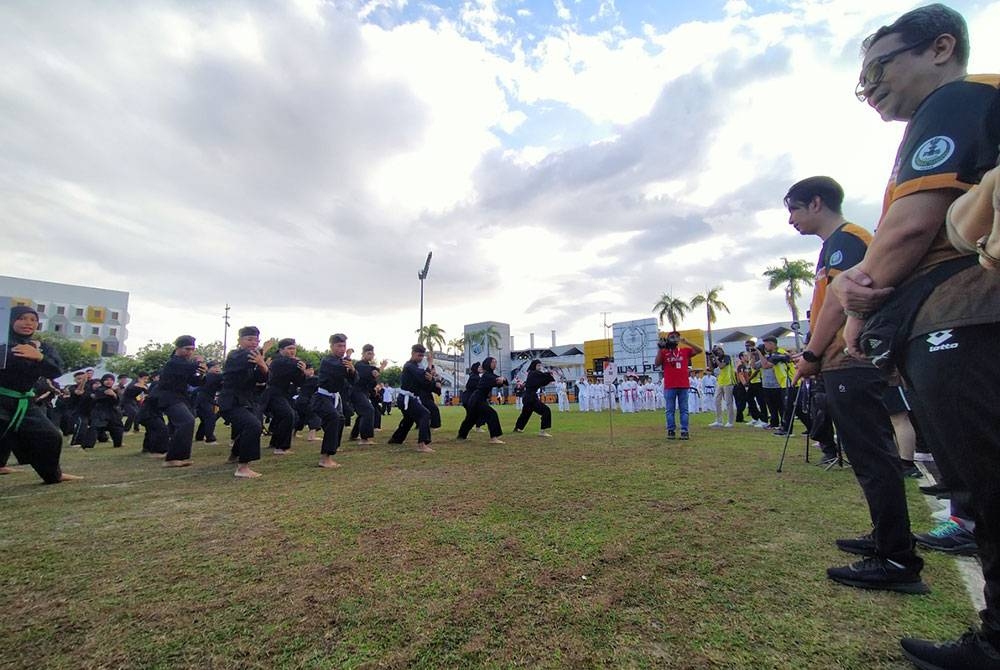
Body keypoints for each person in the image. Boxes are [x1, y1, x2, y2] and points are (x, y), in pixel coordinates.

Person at [829, 5, 1000, 664]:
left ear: (939, 47)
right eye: (861, 79)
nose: (870, 86)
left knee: (988, 484)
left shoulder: (958, 99)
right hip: (959, 317)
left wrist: (856, 301)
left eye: (879, 66)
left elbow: (909, 230)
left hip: (967, 317)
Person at [784, 176, 926, 594]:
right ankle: (886, 538)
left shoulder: (849, 240)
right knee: (868, 455)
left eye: (793, 209)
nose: (790, 220)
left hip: (850, 359)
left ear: (815, 203)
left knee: (872, 456)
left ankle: (897, 556)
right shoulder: (837, 244)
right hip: (839, 360)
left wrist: (811, 353)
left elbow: (839, 303)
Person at [0, 306, 81, 483]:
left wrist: (39, 357)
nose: (28, 323)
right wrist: (19, 350)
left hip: (24, 402)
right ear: (11, 320)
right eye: (22, 318)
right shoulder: (3, 342)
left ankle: (53, 475)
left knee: (50, 436)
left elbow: (56, 370)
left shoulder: (43, 347)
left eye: (33, 319)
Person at [218, 326, 269, 478]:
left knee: (253, 425)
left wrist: (262, 364)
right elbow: (250, 358)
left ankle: (234, 456)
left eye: (256, 340)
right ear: (239, 341)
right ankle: (242, 467)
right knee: (253, 426)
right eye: (249, 339)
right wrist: (262, 353)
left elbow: (263, 378)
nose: (254, 343)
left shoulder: (254, 359)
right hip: (230, 401)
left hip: (246, 401)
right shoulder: (235, 355)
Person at [151, 335, 206, 467]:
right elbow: (189, 368)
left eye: (192, 349)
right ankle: (172, 458)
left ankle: (179, 456)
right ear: (178, 348)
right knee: (187, 421)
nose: (190, 352)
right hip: (168, 397)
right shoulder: (174, 362)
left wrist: (202, 373)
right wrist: (199, 363)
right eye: (187, 349)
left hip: (181, 397)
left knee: (187, 421)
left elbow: (194, 381)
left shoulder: (185, 364)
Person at [314, 333, 355, 468]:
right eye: (339, 346)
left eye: (344, 346)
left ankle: (333, 447)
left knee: (340, 419)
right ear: (331, 346)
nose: (342, 349)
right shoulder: (328, 360)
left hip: (333, 398)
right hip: (322, 397)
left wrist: (352, 369)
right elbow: (339, 370)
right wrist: (348, 361)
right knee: (334, 418)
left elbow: (354, 379)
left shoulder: (343, 362)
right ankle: (325, 458)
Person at [387, 344, 435, 452]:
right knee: (425, 414)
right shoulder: (409, 366)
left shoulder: (416, 367)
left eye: (422, 356)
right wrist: (430, 364)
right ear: (413, 353)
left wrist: (430, 378)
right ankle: (422, 444)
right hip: (405, 398)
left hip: (409, 398)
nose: (421, 358)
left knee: (409, 419)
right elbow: (423, 376)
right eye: (419, 355)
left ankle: (396, 439)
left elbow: (425, 382)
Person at [654, 331, 702, 440]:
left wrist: (686, 341)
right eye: (672, 337)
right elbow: (656, 364)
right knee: (669, 410)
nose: (674, 338)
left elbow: (699, 350)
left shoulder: (684, 351)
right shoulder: (665, 352)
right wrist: (660, 349)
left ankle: (684, 430)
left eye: (676, 337)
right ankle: (671, 430)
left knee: (684, 409)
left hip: (683, 385)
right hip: (670, 385)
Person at [264, 338, 305, 455]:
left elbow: (299, 382)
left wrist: (301, 372)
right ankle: (281, 447)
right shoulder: (279, 361)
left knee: (282, 417)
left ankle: (274, 443)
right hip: (272, 393)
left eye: (294, 348)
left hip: (283, 393)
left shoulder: (290, 362)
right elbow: (294, 363)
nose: (292, 351)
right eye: (289, 348)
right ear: (281, 350)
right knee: (288, 415)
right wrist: (300, 365)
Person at [456, 356, 506, 443]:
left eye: (495, 362)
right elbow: (496, 380)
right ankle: (493, 438)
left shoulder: (490, 374)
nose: (495, 364)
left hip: (477, 399)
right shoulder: (487, 376)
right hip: (477, 399)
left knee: (471, 418)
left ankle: (461, 436)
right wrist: (501, 379)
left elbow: (503, 381)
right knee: (492, 414)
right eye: (493, 362)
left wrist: (503, 379)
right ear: (488, 364)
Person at [350, 344, 386, 445]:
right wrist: (382, 367)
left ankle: (354, 435)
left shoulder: (367, 366)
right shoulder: (360, 365)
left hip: (363, 392)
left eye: (372, 353)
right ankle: (364, 439)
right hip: (356, 392)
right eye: (368, 353)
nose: (371, 355)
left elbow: (373, 378)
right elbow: (373, 371)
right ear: (363, 354)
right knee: (369, 410)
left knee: (363, 413)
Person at [512, 359, 556, 436]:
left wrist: (547, 375)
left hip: (527, 397)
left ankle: (518, 428)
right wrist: (549, 374)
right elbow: (543, 377)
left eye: (540, 365)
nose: (540, 367)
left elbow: (541, 380)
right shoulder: (534, 373)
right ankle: (543, 431)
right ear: (534, 366)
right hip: (531, 397)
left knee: (525, 413)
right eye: (538, 365)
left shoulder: (531, 373)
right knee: (546, 410)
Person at [88, 373, 124, 448]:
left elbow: (118, 401)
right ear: (103, 381)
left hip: (112, 412)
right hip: (100, 412)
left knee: (117, 428)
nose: (109, 381)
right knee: (95, 428)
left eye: (111, 380)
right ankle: (88, 445)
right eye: (107, 380)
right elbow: (98, 396)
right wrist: (109, 393)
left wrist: (114, 395)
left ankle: (118, 444)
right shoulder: (100, 389)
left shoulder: (114, 390)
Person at [194, 362, 221, 444]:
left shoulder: (211, 377)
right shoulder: (211, 376)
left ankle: (199, 437)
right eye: (215, 367)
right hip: (204, 399)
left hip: (203, 399)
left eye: (218, 367)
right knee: (210, 418)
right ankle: (210, 438)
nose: (218, 369)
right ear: (209, 369)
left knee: (204, 418)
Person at [710, 347, 735, 428]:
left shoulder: (726, 357)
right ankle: (719, 420)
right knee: (717, 401)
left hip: (728, 381)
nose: (718, 352)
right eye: (716, 351)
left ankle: (730, 421)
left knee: (728, 402)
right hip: (720, 381)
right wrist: (711, 359)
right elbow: (711, 369)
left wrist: (715, 358)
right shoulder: (717, 358)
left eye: (718, 350)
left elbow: (721, 366)